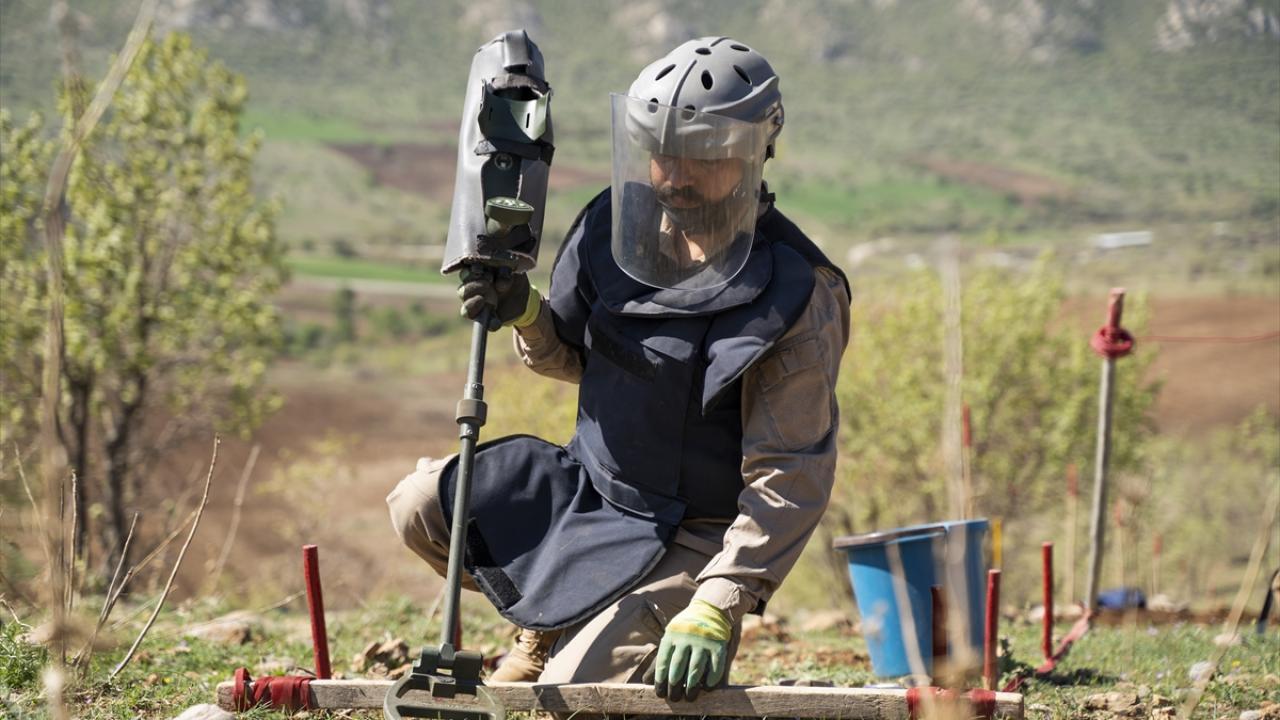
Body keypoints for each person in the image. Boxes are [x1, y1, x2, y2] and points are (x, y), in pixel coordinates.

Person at [387, 35, 850, 701]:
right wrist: (526, 314)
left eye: (698, 156)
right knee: (421, 507)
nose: (673, 175)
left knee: (571, 699)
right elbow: (576, 355)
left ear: (754, 151)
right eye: (660, 153)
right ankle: (552, 622)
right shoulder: (613, 225)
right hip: (594, 495)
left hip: (694, 531)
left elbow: (788, 478)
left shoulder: (796, 293)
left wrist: (719, 602)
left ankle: (610, 630)